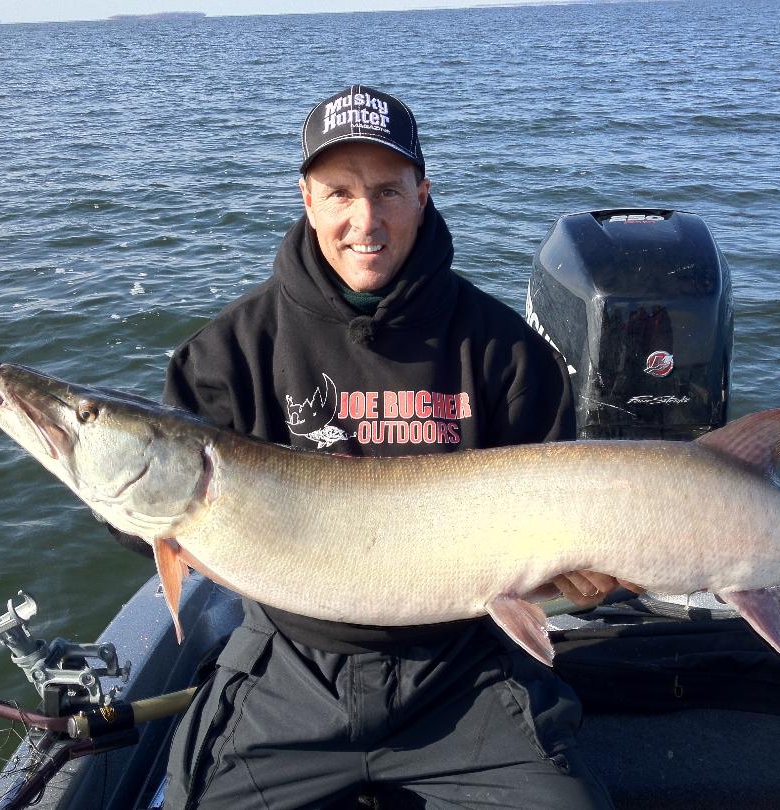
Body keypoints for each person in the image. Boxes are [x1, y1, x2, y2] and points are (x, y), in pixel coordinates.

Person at [155, 85, 618, 810]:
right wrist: (122, 506)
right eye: (339, 192)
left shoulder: (506, 351)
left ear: (423, 193)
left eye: (387, 191)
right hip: (290, 675)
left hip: (462, 671)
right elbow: (152, 520)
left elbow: (564, 538)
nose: (363, 221)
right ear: (307, 200)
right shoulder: (229, 353)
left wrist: (583, 576)